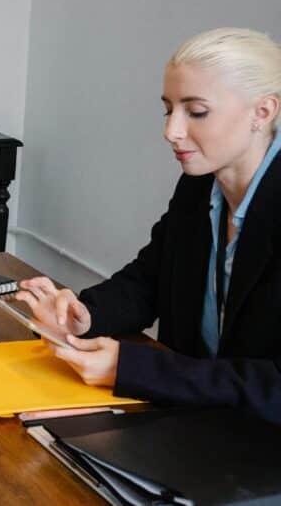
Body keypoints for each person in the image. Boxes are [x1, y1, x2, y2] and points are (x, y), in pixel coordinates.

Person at [16, 28, 281, 424]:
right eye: (168, 110)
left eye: (196, 112)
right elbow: (150, 280)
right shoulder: (198, 185)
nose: (171, 131)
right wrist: (84, 315)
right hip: (194, 425)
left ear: (262, 112)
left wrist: (131, 369)